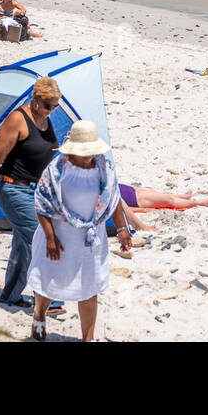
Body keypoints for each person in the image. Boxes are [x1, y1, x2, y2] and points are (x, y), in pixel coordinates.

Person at [27, 120, 132, 342]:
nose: (88, 155)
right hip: (60, 237)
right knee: (49, 282)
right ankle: (39, 314)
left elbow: (113, 200)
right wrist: (50, 237)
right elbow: (42, 204)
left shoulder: (104, 168)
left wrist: (122, 228)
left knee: (89, 288)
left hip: (91, 240)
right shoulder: (57, 170)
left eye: (91, 151)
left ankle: (88, 338)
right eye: (83, 151)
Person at [0, 76, 61, 308]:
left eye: (55, 106)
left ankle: (10, 295)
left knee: (23, 243)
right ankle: (49, 298)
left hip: (37, 191)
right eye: (48, 105)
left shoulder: (45, 118)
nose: (51, 110)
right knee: (41, 238)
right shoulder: (18, 118)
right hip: (12, 188)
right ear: (35, 99)